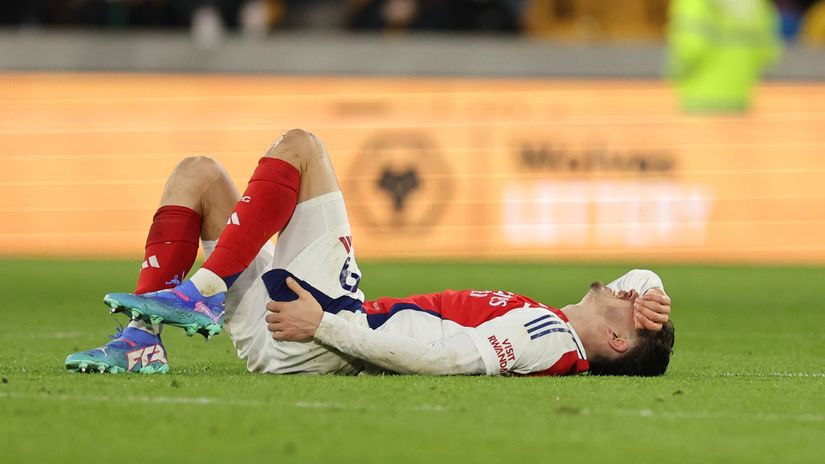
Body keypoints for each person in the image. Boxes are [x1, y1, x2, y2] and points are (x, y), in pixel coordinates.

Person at [65, 129, 674, 376]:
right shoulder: (557, 321)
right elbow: (634, 281)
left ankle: (199, 295)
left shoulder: (550, 342)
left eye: (633, 305)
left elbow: (447, 358)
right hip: (298, 331)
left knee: (302, 146)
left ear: (618, 343)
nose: (627, 291)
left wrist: (323, 321)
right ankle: (141, 340)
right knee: (198, 174)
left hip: (318, 330)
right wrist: (650, 288)